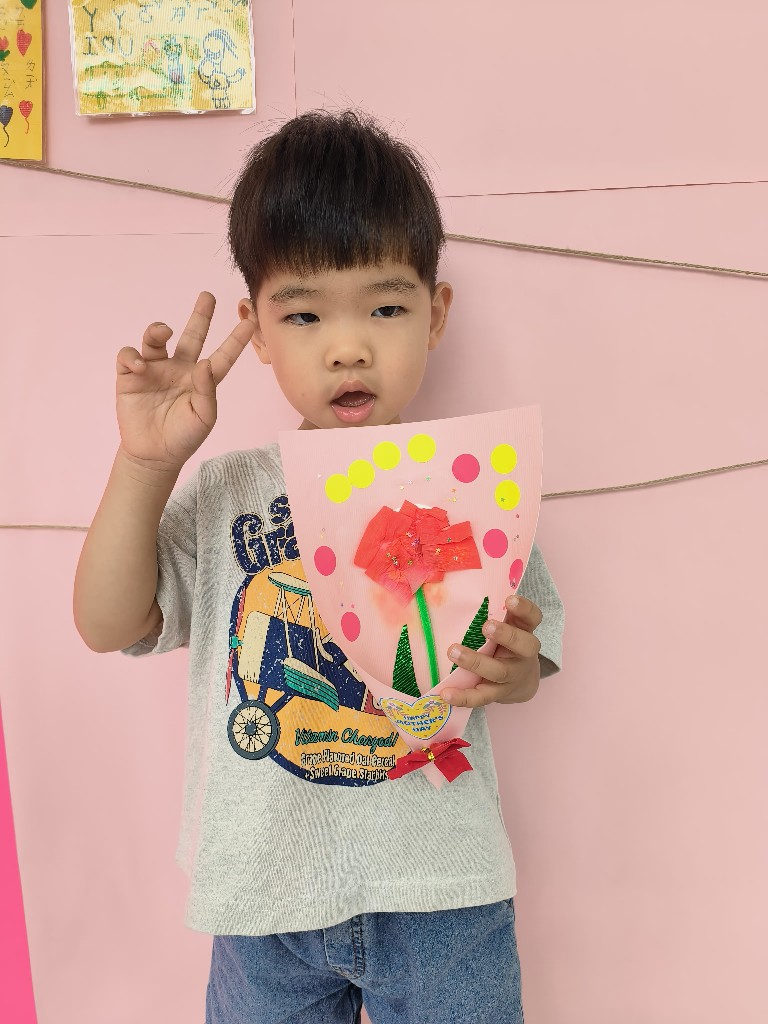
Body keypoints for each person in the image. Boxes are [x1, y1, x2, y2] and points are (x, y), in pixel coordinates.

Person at [73, 109, 564, 1024]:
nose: (348, 346)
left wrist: (518, 670)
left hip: (441, 889)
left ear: (436, 313)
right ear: (256, 329)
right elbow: (109, 623)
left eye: (386, 307)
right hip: (265, 900)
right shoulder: (227, 493)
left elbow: (532, 658)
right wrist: (145, 465)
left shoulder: (473, 487)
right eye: (304, 314)